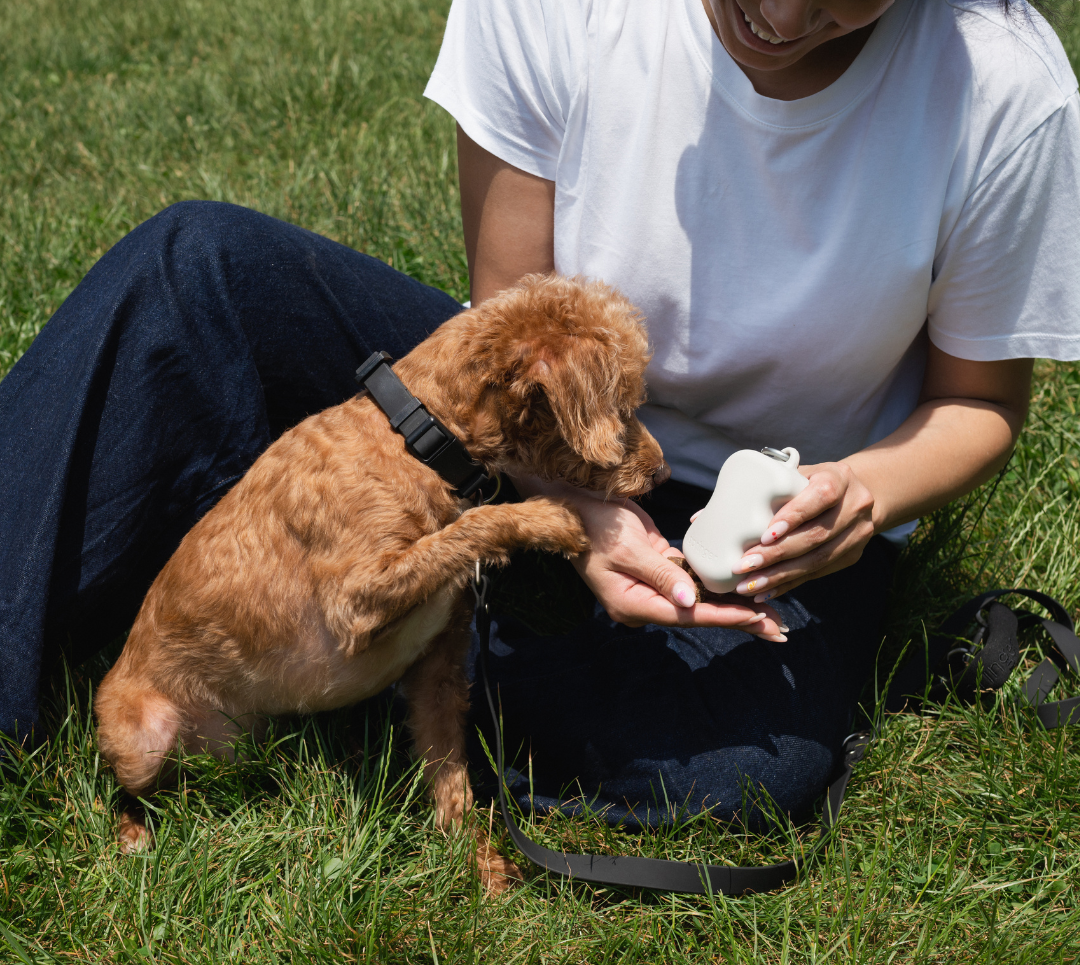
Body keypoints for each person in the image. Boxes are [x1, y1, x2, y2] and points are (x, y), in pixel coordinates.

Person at [0, 0, 1076, 828]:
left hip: (778, 517)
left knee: (740, 783)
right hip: (536, 423)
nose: (784, 20)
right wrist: (583, 512)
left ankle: (337, 645)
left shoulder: (1003, 92)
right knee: (201, 273)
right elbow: (507, 307)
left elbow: (977, 403)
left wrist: (865, 495)